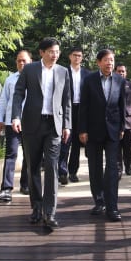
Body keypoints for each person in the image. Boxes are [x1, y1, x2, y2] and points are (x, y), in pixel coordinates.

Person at [12, 37, 72, 231]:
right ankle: (37, 207)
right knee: (33, 167)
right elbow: (18, 93)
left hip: (53, 125)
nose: (54, 55)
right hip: (31, 125)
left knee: (53, 168)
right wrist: (16, 117)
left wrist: (67, 125)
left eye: (57, 52)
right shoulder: (30, 70)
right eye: (51, 52)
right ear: (42, 53)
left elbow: (67, 100)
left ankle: (50, 212)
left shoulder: (63, 72)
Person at [78, 48, 125, 222]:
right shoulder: (89, 80)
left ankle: (113, 207)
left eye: (112, 60)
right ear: (98, 62)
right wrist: (82, 130)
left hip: (113, 131)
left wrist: (122, 128)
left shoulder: (119, 80)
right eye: (106, 60)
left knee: (112, 169)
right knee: (95, 168)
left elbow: (122, 106)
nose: (109, 63)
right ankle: (99, 201)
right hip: (93, 130)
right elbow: (84, 106)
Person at [0, 49, 32, 202]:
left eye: (24, 61)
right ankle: (6, 189)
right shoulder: (10, 79)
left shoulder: (35, 78)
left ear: (30, 62)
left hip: (29, 122)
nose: (21, 63)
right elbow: (3, 101)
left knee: (29, 155)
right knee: (10, 154)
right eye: (19, 61)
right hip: (11, 122)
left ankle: (26, 185)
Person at [58, 46, 91, 184]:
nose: (77, 58)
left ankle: (73, 172)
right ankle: (62, 172)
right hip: (67, 109)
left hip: (81, 110)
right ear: (70, 56)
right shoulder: (63, 72)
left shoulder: (87, 74)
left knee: (77, 143)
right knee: (65, 141)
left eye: (79, 55)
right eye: (75, 55)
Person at [114, 62, 131, 178]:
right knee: (116, 146)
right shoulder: (111, 85)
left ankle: (128, 165)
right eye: (119, 71)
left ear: (126, 73)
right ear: (115, 72)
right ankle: (118, 169)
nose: (121, 73)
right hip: (115, 120)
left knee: (128, 146)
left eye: (123, 71)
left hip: (128, 120)